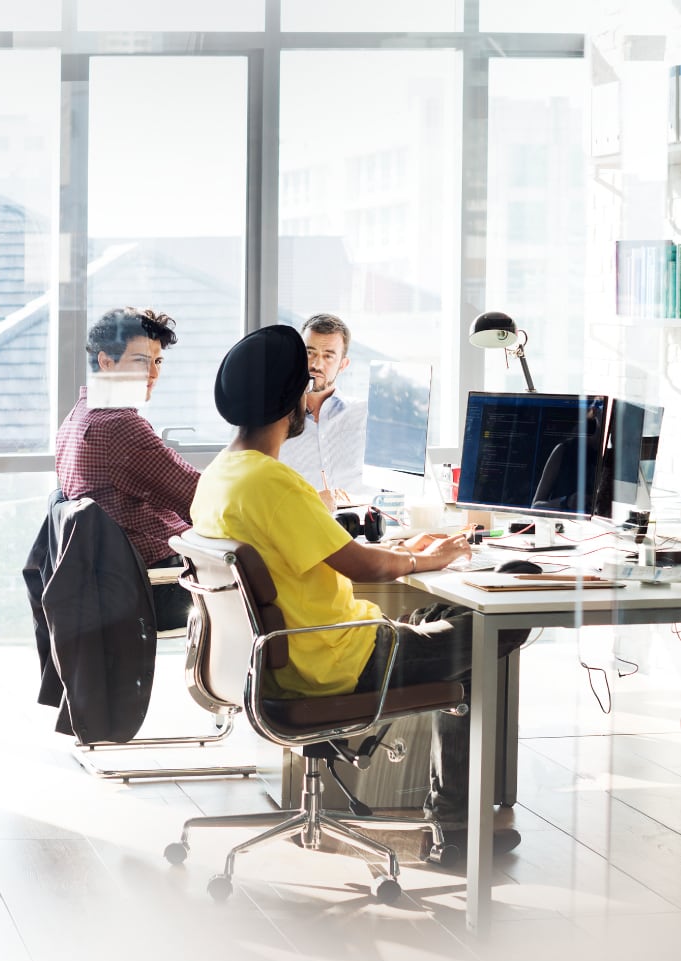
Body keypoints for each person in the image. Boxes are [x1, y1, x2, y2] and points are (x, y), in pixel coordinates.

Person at [190, 324, 523, 864]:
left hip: (286, 659)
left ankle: (456, 817)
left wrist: (413, 549)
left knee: (448, 613)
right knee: (496, 624)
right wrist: (427, 557)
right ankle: (457, 828)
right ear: (292, 399)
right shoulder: (272, 482)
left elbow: (324, 547)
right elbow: (362, 564)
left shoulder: (221, 475)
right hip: (340, 660)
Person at [54, 306, 197, 631]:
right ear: (106, 361)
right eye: (140, 361)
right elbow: (199, 497)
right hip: (157, 587)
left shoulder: (77, 417)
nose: (153, 374)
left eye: (158, 361)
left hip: (114, 583)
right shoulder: (119, 426)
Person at [277, 312, 368, 505]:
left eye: (328, 356)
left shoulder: (365, 416)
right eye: (310, 353)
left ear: (343, 364)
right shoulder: (274, 421)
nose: (317, 364)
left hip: (363, 527)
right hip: (301, 525)